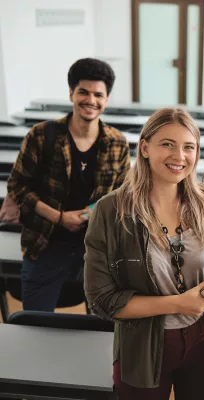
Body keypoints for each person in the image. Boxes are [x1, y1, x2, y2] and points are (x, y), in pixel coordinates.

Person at [84, 107, 204, 400]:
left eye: (188, 147)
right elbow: (101, 300)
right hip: (143, 347)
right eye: (167, 144)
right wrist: (179, 303)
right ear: (144, 147)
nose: (179, 156)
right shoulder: (111, 211)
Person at [7, 57, 130, 311]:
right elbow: (18, 186)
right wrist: (58, 217)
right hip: (45, 244)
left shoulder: (117, 143)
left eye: (98, 94)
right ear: (71, 93)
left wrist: (88, 214)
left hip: (97, 248)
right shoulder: (41, 135)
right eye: (83, 92)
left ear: (106, 100)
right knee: (35, 324)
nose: (91, 100)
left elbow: (122, 194)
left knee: (104, 329)